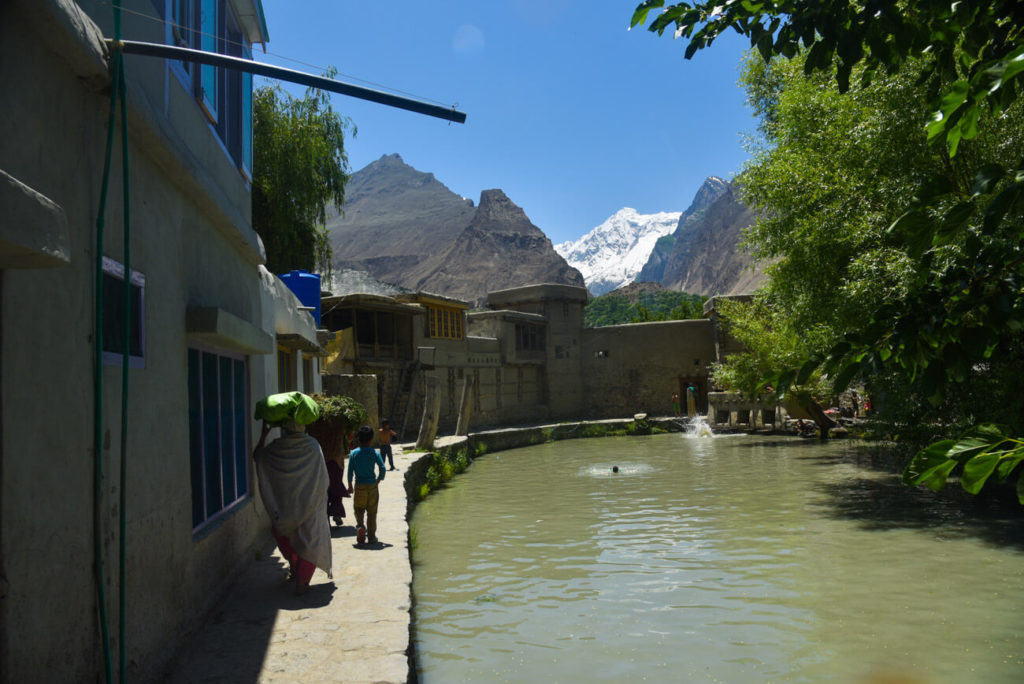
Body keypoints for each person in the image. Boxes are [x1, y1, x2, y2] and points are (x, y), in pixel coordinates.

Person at [253, 414, 333, 595]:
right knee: (311, 540)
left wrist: (264, 434)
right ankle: (302, 581)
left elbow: (258, 456)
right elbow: (322, 477)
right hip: (309, 505)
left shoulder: (276, 448)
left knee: (286, 536)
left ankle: (295, 567)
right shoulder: (312, 446)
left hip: (285, 507)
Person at [347, 425, 387, 545]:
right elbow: (383, 468)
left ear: (358, 439)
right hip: (372, 486)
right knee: (372, 512)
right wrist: (378, 480)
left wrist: (349, 485)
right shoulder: (374, 453)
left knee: (359, 509)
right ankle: (371, 536)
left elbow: (350, 471)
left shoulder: (354, 454)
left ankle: (360, 527)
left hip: (359, 486)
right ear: (371, 439)